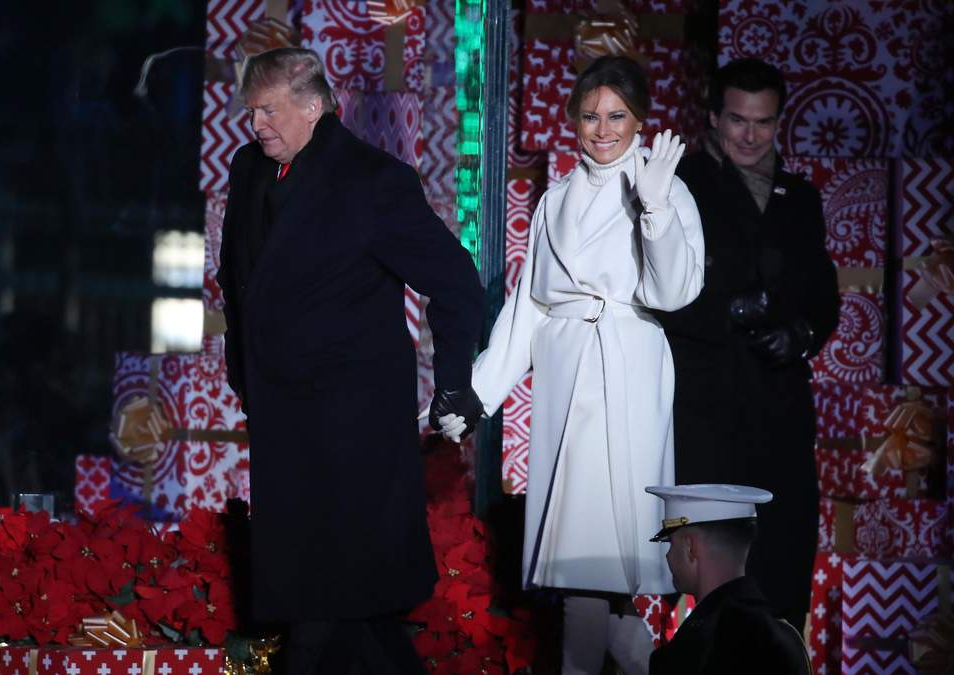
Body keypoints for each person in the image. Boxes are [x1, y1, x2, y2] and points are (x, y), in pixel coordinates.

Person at [216, 47, 485, 675]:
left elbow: (455, 281)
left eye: (269, 111)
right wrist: (243, 370)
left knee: (331, 600)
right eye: (251, 112)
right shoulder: (248, 168)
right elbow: (238, 276)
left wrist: (452, 383)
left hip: (353, 431)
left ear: (314, 106)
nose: (256, 125)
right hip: (282, 420)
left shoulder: (374, 181)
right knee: (347, 608)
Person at [436, 55, 704, 674]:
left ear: (640, 120)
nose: (602, 129)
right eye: (589, 116)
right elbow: (530, 307)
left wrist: (656, 212)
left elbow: (674, 292)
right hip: (565, 375)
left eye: (616, 116)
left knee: (593, 563)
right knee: (591, 573)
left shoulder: (665, 187)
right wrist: (478, 393)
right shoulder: (556, 197)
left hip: (625, 372)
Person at [652, 58, 840, 632]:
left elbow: (823, 294)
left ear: (779, 121)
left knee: (782, 563)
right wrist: (726, 312)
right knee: (702, 565)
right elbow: (652, 290)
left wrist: (802, 335)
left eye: (764, 122)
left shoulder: (799, 197)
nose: (751, 136)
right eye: (738, 120)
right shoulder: (680, 185)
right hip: (705, 407)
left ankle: (778, 655)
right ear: (714, 117)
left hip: (779, 408)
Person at [645, 484, 812, 675]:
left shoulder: (694, 649)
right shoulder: (785, 633)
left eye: (671, 543)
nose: (668, 555)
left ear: (691, 547)